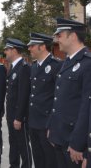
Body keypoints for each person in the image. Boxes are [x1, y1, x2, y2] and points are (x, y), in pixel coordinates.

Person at [47, 18, 91, 168]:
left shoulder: (88, 64)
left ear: (72, 36)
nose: (56, 39)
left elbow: (87, 108)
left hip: (74, 144)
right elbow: (59, 99)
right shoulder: (66, 62)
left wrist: (79, 144)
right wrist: (52, 128)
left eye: (59, 35)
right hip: (60, 137)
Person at [27, 33, 62, 168]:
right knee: (38, 158)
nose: (29, 48)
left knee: (50, 160)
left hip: (47, 123)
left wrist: (53, 125)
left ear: (42, 47)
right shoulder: (34, 66)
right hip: (34, 122)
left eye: (32, 46)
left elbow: (58, 98)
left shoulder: (56, 65)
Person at [4, 38, 32, 168]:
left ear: (14, 50)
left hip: (18, 116)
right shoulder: (14, 67)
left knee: (23, 144)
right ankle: (13, 165)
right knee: (13, 142)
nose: (5, 52)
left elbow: (23, 95)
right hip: (11, 114)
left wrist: (19, 118)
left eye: (7, 49)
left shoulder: (24, 68)